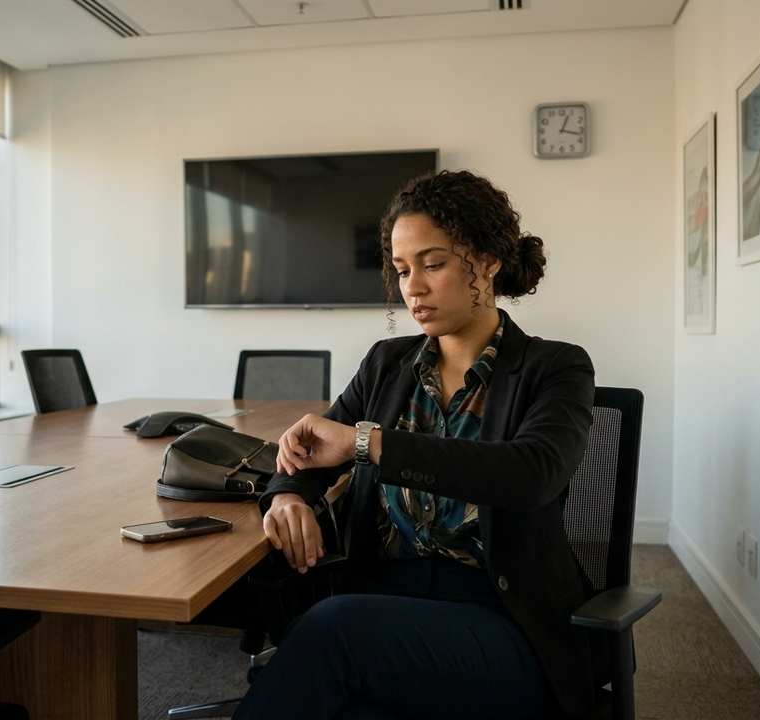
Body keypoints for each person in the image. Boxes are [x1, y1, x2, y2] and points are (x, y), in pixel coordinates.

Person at [232, 170, 600, 720]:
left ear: (489, 261)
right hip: (385, 603)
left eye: (433, 264)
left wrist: (370, 443)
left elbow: (531, 475)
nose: (413, 288)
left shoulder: (555, 367)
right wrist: (287, 493)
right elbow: (315, 448)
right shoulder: (387, 363)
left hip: (501, 622)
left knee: (329, 634)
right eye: (402, 270)